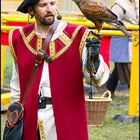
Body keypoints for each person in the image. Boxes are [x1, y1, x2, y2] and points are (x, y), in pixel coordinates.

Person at [9, 0, 109, 139]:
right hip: (30, 118)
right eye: (43, 5)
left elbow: (97, 79)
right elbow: (16, 83)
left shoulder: (78, 35)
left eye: (52, 3)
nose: (49, 9)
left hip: (68, 116)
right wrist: (14, 114)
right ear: (31, 10)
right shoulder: (19, 38)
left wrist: (94, 61)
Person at [106, 0, 139, 98]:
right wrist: (126, 29)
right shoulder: (119, 4)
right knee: (125, 64)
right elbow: (111, 21)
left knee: (120, 66)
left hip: (133, 37)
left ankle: (109, 89)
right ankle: (134, 93)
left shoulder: (136, 2)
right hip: (122, 38)